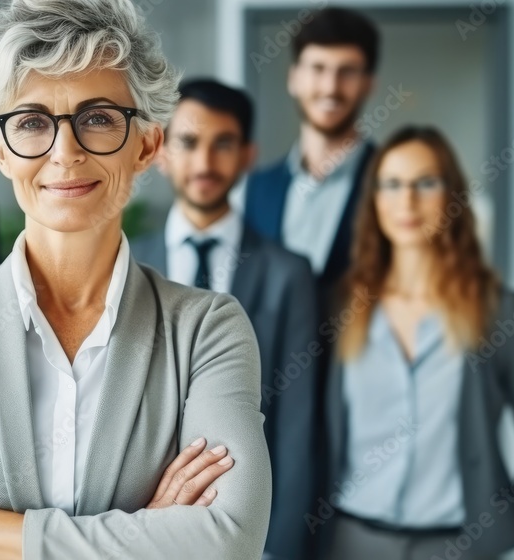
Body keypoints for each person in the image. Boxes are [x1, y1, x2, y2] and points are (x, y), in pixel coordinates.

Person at [0, 1, 272, 558]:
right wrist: (146, 535)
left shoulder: (207, 330)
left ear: (147, 143)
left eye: (97, 118)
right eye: (31, 122)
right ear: (0, 150)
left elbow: (227, 541)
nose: (65, 152)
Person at [322, 126, 514, 559]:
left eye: (425, 183)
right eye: (391, 184)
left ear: (452, 196)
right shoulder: (339, 307)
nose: (407, 201)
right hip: (349, 541)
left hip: (456, 545)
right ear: (373, 199)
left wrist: (503, 531)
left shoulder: (497, 311)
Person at [131, 78, 318, 560]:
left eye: (224, 144)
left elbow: (298, 423)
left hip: (249, 527)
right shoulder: (125, 265)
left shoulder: (288, 274)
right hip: (141, 524)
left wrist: (278, 546)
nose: (205, 163)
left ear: (248, 155)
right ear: (160, 150)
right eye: (189, 143)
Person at [244, 7, 380, 294]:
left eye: (347, 71)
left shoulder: (390, 182)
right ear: (293, 78)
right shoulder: (256, 189)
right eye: (318, 68)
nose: (331, 87)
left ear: (368, 84)